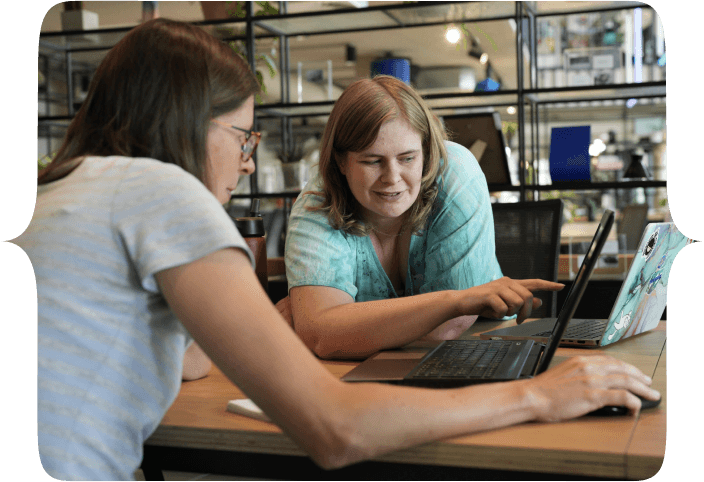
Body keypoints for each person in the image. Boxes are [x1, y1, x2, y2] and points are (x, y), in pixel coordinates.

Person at [16, 18, 659, 482]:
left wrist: (269, 320)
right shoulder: (162, 195)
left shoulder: (50, 194)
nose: (244, 164)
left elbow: (186, 363)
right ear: (187, 125)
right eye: (241, 137)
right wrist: (541, 395)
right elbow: (336, 429)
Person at [280, 75, 559, 358]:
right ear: (341, 161)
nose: (392, 178)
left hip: (475, 352)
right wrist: (456, 301)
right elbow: (321, 335)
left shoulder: (456, 172)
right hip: (355, 374)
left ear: (426, 152)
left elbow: (448, 329)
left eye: (407, 158)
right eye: (372, 161)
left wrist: (345, 327)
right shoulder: (318, 202)